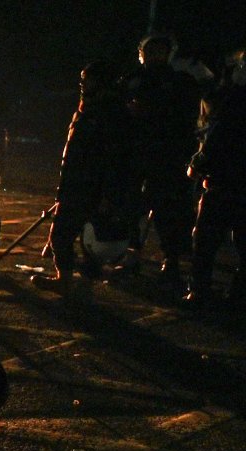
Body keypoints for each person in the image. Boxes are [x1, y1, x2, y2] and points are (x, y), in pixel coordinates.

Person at [31, 61, 137, 295]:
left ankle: (67, 279)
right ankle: (72, 278)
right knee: (66, 234)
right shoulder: (88, 109)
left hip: (91, 186)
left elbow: (116, 158)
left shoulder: (112, 113)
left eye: (86, 79)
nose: (82, 84)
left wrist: (109, 194)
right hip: (76, 183)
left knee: (66, 235)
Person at [119, 34, 201, 282]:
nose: (154, 56)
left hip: (167, 156)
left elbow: (186, 117)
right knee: (130, 208)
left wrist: (153, 112)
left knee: (167, 210)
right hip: (135, 154)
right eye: (149, 51)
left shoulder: (179, 81)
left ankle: (171, 259)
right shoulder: (133, 79)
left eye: (159, 51)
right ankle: (131, 255)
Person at [184, 50, 246, 307]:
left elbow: (217, 137)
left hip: (224, 181)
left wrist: (199, 162)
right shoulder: (226, 97)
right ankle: (235, 294)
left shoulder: (232, 100)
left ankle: (200, 291)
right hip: (226, 180)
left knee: (206, 241)